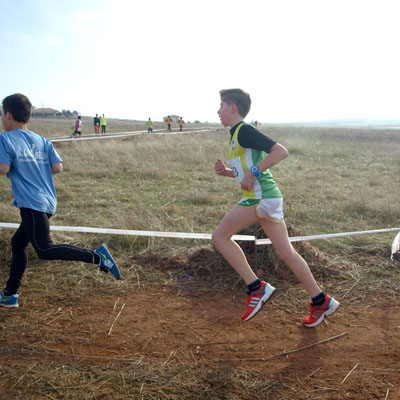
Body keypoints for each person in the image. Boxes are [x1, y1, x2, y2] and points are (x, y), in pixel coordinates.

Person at [212, 88, 339, 327]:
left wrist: (253, 171)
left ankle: (255, 287)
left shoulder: (245, 130)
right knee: (286, 253)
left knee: (220, 237)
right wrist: (228, 173)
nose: (217, 111)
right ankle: (321, 300)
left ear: (232, 107)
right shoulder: (236, 134)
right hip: (268, 197)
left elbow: (280, 151)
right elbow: (248, 172)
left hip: (260, 198)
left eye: (220, 105)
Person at [0, 94, 121, 308]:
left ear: (8, 114)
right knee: (18, 243)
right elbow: (57, 168)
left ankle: (97, 257)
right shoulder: (42, 140)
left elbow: (4, 169)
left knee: (45, 250)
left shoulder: (5, 139)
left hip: (31, 203)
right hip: (47, 201)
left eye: (2, 114)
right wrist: (35, 171)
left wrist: (24, 173)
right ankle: (10, 294)